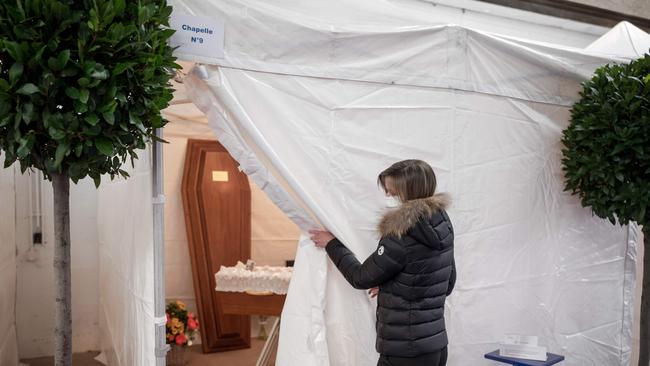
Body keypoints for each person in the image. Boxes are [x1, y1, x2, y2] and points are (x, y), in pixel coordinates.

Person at [309, 159, 455, 366]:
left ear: (408, 190)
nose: (388, 195)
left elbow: (360, 278)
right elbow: (445, 283)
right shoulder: (442, 225)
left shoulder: (400, 235)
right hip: (436, 347)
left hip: (405, 352)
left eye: (392, 191)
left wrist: (332, 244)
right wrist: (392, 284)